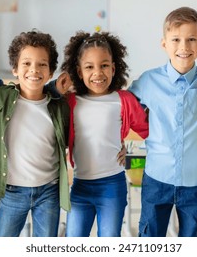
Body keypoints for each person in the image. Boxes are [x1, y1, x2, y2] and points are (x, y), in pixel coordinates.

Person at [128, 7, 197, 237]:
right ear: (164, 43)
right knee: (150, 238)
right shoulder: (148, 81)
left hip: (196, 180)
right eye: (176, 39)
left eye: (191, 39)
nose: (184, 47)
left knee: (192, 238)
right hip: (157, 177)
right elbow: (125, 108)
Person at [0, 30, 70, 237]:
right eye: (26, 63)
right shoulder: (0, 97)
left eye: (42, 64)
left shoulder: (59, 106)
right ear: (15, 69)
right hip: (12, 190)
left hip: (49, 190)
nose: (34, 70)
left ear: (51, 71)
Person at [60, 31, 149, 237]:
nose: (98, 73)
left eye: (104, 65)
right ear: (79, 72)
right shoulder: (71, 101)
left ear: (113, 68)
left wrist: (131, 149)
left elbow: (149, 131)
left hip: (112, 186)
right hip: (80, 185)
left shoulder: (123, 99)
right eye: (89, 67)